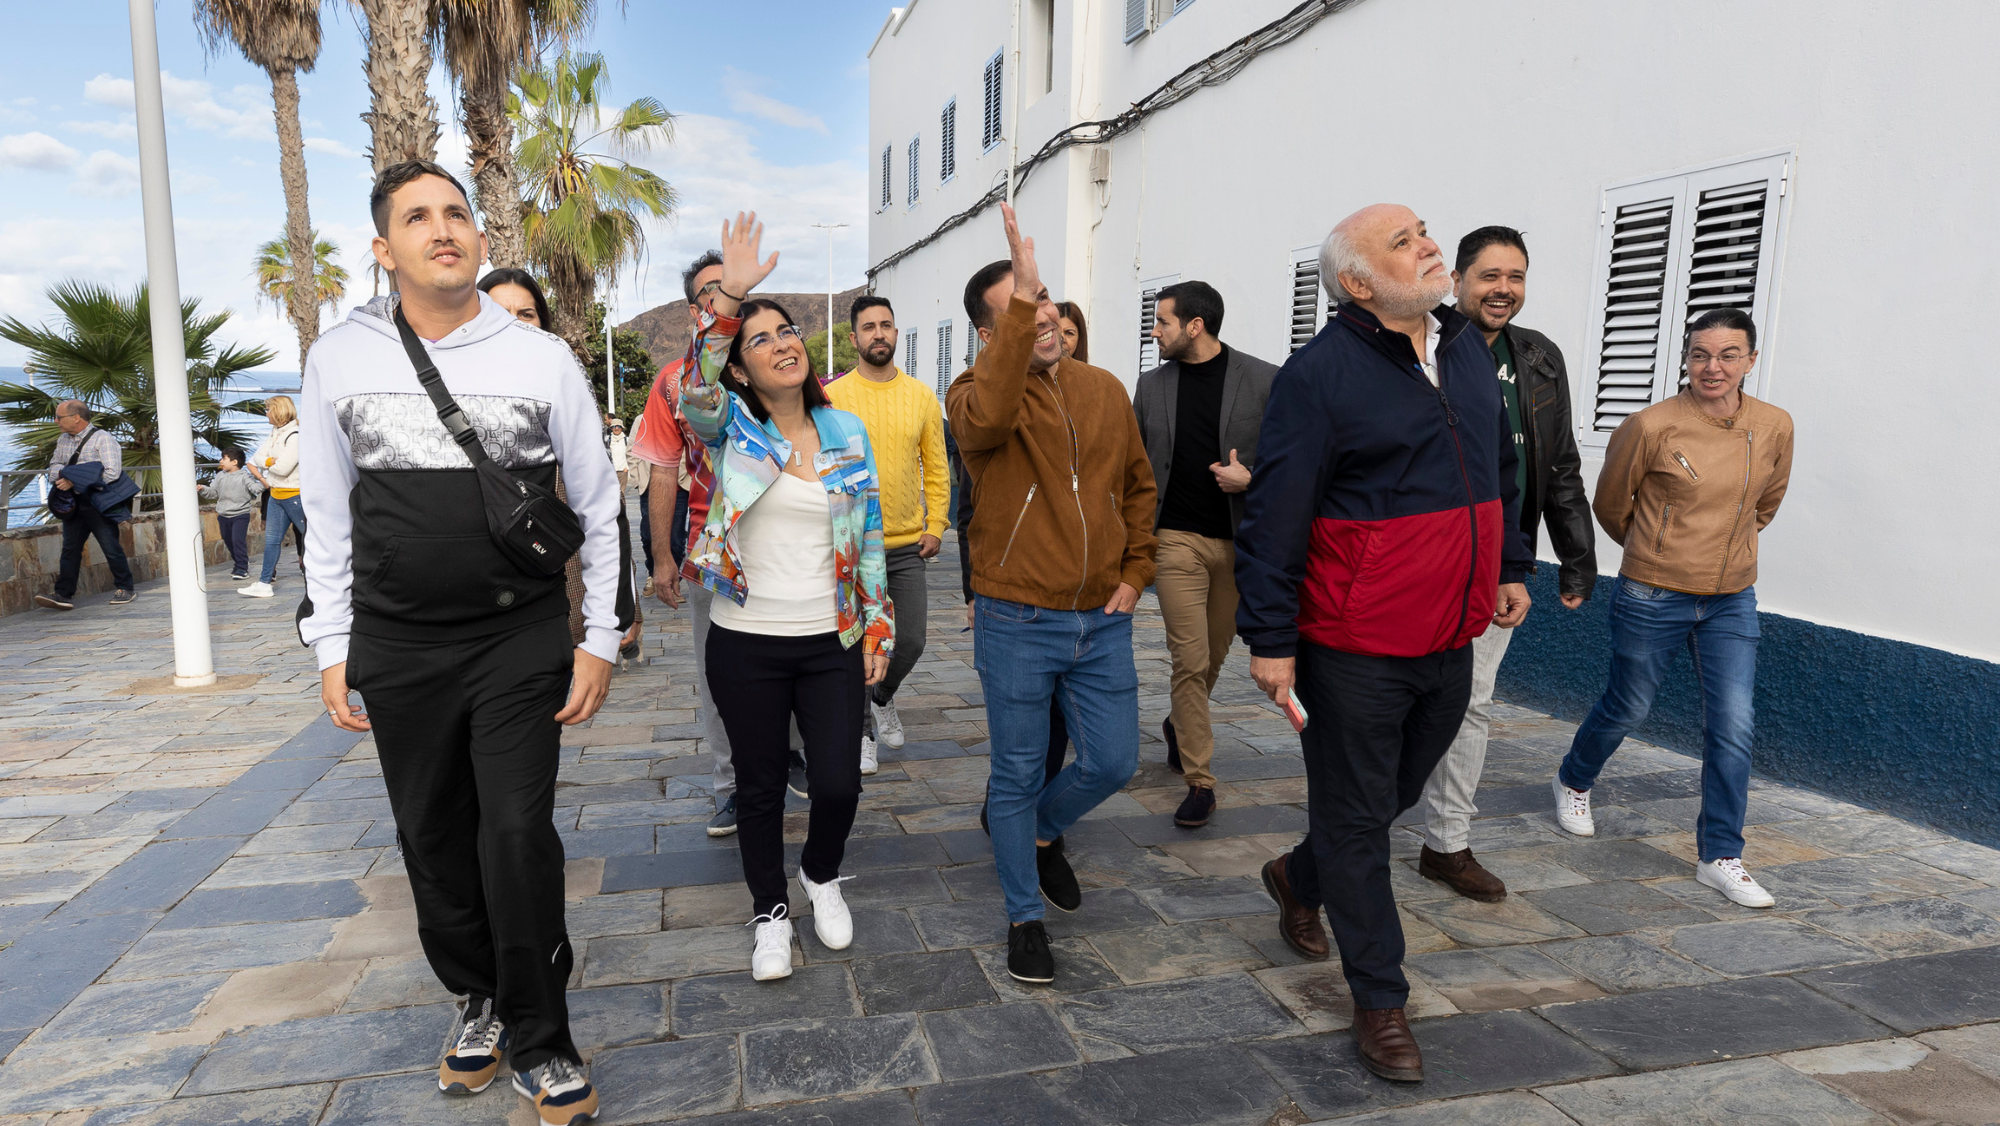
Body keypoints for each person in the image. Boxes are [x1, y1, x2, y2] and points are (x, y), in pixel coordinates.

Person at [299, 159, 620, 1124]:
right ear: (383, 247)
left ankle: (543, 1034)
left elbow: (598, 506)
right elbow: (327, 513)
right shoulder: (338, 358)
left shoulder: (540, 357)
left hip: (518, 637)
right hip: (398, 645)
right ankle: (477, 995)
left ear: (479, 235)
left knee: (516, 834)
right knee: (432, 837)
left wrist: (600, 636)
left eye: (456, 213)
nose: (442, 229)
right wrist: (333, 644)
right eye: (417, 217)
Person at [1235, 204, 1534, 1083]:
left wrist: (1510, 562)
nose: (1430, 246)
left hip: (1452, 633)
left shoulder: (1467, 350)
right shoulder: (1317, 376)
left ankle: (1298, 875)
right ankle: (1380, 1001)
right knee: (1361, 822)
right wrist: (1271, 637)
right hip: (1354, 643)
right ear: (1359, 283)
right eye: (1403, 242)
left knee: (1385, 799)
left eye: (1424, 231)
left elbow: (1500, 467)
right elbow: (1275, 514)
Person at [678, 213, 892, 981]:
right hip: (745, 642)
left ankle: (820, 873)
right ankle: (770, 912)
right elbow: (694, 388)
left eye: (787, 330)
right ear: (741, 369)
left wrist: (878, 627)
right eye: (760, 339)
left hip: (830, 639)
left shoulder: (847, 432)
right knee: (761, 786)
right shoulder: (730, 428)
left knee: (839, 781)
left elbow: (869, 536)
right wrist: (729, 298)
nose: (781, 343)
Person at [949, 203, 1157, 985]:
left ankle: (1036, 831)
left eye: (1043, 301)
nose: (1040, 317)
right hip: (1016, 617)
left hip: (1101, 618)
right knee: (1015, 770)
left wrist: (1136, 572)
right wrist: (1018, 315)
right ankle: (1023, 917)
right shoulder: (970, 393)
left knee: (1115, 760)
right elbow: (990, 417)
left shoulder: (1103, 388)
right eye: (1018, 310)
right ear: (988, 334)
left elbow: (1138, 488)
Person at [1553, 308, 1793, 909]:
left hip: (1732, 598)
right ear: (1686, 359)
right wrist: (1657, 550)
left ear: (1751, 360)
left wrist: (1729, 550)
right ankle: (1573, 778)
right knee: (1629, 705)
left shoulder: (1774, 425)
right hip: (1653, 593)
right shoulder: (1651, 425)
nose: (1713, 367)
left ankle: (1720, 855)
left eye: (1728, 355)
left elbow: (1766, 503)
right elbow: (1612, 505)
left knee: (1733, 724)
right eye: (1700, 355)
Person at [1413, 227, 1598, 903]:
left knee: (1471, 703)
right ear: (1457, 279)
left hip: (1499, 564)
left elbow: (1560, 464)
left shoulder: (1539, 358)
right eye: (1489, 275)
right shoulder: (1421, 343)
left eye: (1515, 277)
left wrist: (1576, 557)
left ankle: (1446, 842)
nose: (1503, 289)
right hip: (1418, 557)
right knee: (1388, 702)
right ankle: (1348, 835)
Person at [1134, 280, 1278, 828]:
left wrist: (1251, 479)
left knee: (1215, 653)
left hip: (1240, 544)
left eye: (1163, 322)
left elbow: (1295, 463)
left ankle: (1179, 723)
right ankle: (1200, 781)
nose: (1155, 331)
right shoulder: (1151, 386)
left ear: (1195, 326)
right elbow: (1133, 466)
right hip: (1175, 541)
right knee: (1189, 659)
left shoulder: (1264, 380)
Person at [824, 294, 949, 769]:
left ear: (896, 333)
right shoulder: (834, 397)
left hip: (905, 545)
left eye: (886, 325)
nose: (878, 333)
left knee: (911, 640)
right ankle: (860, 734)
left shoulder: (921, 396)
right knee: (856, 643)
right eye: (869, 327)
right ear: (853, 338)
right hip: (851, 547)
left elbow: (936, 468)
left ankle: (882, 697)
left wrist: (936, 524)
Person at [34, 399, 135, 610]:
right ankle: (63, 594)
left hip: (97, 501)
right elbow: (54, 467)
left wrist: (74, 479)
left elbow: (112, 472)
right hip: (73, 503)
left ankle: (125, 588)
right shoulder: (63, 440)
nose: (56, 421)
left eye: (59, 417)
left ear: (76, 418)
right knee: (70, 549)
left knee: (110, 546)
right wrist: (71, 475)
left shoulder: (103, 439)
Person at [238, 394, 303, 599]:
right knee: (272, 541)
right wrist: (269, 461)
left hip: (295, 496)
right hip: (276, 495)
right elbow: (256, 458)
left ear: (278, 411)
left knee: (312, 538)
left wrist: (267, 463)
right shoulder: (275, 433)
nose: (266, 413)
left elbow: (283, 468)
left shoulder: (295, 435)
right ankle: (264, 583)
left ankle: (327, 580)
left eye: (268, 410)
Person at [199, 446, 264, 580]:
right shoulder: (220, 476)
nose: (220, 461)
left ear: (234, 462)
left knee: (237, 540)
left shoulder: (244, 476)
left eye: (224, 459)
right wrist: (203, 489)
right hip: (223, 515)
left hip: (240, 514)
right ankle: (239, 562)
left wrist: (264, 482)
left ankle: (242, 568)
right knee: (228, 541)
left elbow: (254, 487)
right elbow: (213, 492)